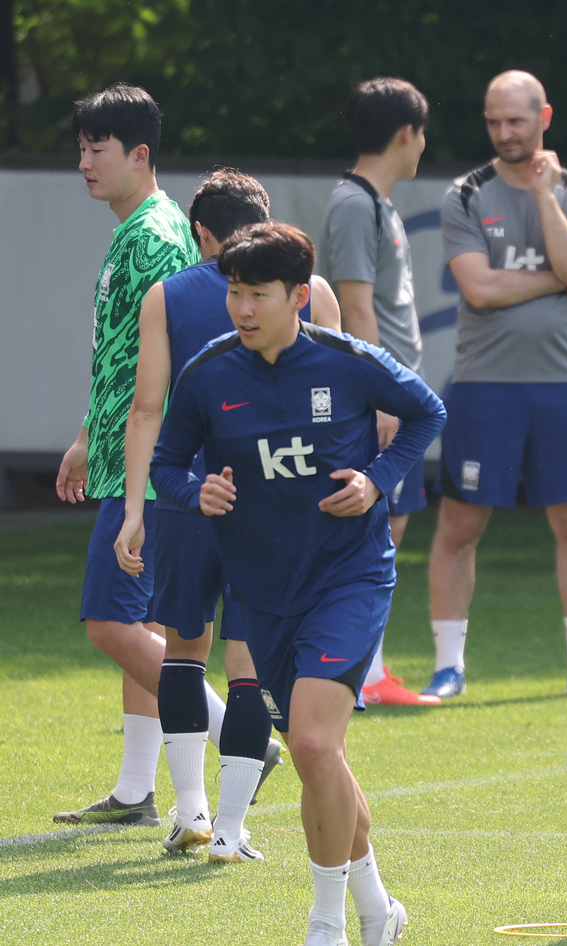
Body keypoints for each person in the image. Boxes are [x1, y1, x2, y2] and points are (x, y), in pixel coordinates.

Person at [150, 223, 445, 946]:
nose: (242, 308)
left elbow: (425, 412)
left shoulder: (348, 362)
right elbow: (166, 464)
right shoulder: (209, 374)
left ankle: (325, 926)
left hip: (348, 576)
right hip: (262, 590)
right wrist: (196, 494)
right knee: (325, 758)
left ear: (299, 297)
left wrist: (377, 481)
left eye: (258, 294)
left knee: (312, 744)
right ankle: (379, 910)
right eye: (234, 292)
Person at [115, 169, 342, 860]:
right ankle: (232, 830)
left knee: (184, 649)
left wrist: (134, 509)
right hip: (270, 503)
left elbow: (146, 407)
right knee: (248, 662)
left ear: (200, 233)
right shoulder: (312, 291)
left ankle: (190, 811)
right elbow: (338, 400)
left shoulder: (168, 294)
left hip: (185, 498)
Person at [53, 84, 207, 827]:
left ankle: (239, 730)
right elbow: (119, 356)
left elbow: (168, 364)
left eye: (97, 148)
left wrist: (148, 466)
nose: (84, 161)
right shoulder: (136, 228)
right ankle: (135, 791)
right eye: (80, 147)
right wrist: (88, 433)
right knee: (134, 627)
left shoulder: (154, 234)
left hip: (149, 463)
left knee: (109, 625)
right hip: (123, 454)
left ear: (139, 155)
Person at [431, 70, 567, 698]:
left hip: (562, 382)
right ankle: (449, 664)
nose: (504, 133)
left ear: (545, 117)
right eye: (493, 121)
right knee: (459, 525)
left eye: (516, 121)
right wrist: (559, 277)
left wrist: (543, 197)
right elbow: (479, 288)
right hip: (484, 383)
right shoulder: (464, 194)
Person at [323, 76, 440, 704]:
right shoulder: (353, 203)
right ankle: (353, 673)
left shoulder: (376, 201)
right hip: (381, 403)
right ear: (405, 133)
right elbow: (354, 308)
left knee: (389, 527)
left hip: (396, 399)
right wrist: (381, 398)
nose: (424, 144)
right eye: (422, 132)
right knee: (372, 531)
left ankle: (368, 670)